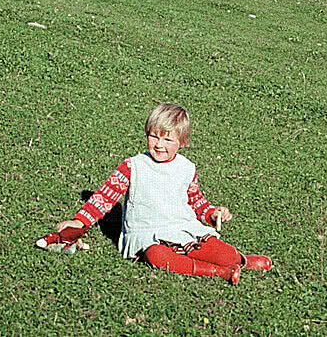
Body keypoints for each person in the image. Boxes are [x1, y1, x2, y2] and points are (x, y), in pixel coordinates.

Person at [36, 103, 271, 285]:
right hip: (147, 234)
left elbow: (196, 201)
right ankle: (219, 272)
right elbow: (104, 198)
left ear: (182, 142)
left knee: (222, 251)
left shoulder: (186, 168)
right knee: (157, 256)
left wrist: (213, 214)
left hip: (183, 229)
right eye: (154, 136)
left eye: (168, 139)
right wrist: (79, 222)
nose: (159, 144)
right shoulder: (133, 166)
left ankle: (242, 261)